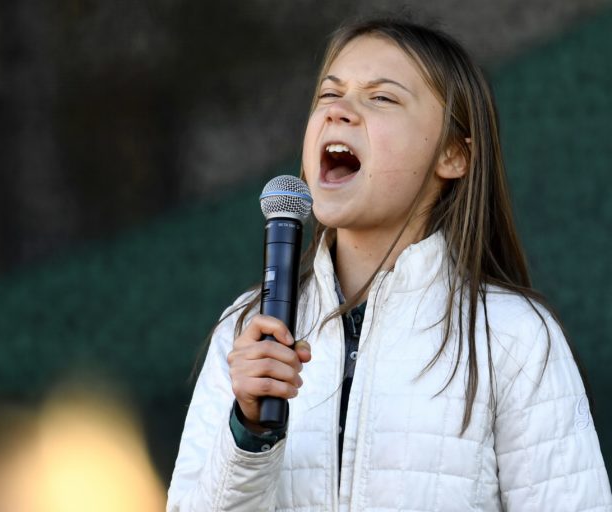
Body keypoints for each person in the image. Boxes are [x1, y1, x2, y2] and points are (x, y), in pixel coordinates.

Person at [167, 17, 612, 511]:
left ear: (452, 154)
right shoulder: (247, 330)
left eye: (381, 98)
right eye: (328, 95)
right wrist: (249, 432)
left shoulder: (514, 338)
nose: (339, 111)